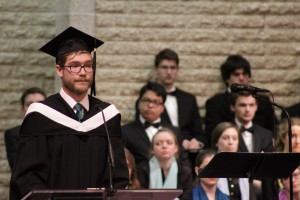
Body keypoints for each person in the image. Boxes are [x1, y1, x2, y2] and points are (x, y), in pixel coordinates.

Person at [9, 26, 128, 200]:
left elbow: (118, 176)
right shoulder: (40, 116)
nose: (82, 72)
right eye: (74, 66)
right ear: (59, 70)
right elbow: (27, 177)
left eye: (88, 66)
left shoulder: (106, 115)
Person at [153, 48, 207, 169]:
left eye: (173, 68)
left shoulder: (189, 99)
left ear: (177, 70)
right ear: (156, 70)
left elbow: (199, 133)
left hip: (190, 160)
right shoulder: (148, 100)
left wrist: (197, 142)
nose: (169, 72)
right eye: (164, 67)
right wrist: (179, 141)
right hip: (161, 159)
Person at [205, 55, 277, 143]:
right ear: (227, 78)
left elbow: (274, 127)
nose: (241, 78)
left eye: (245, 74)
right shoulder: (215, 103)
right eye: (236, 74)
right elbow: (212, 133)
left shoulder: (263, 100)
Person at [122, 81, 184, 165]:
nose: (150, 105)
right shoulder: (125, 132)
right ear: (139, 103)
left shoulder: (175, 131)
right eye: (146, 100)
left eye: (155, 102)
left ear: (162, 108)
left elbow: (183, 160)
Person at [230, 91, 275, 200]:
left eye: (251, 105)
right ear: (232, 107)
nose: (247, 109)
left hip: (263, 194)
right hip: (235, 193)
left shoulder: (266, 134)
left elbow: (270, 168)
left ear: (256, 107)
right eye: (242, 105)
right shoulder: (227, 133)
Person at [137, 128, 193, 199]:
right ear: (152, 149)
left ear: (176, 148)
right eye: (158, 143)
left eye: (169, 143)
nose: (164, 146)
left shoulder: (185, 171)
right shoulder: (143, 169)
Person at [211, 122, 256, 200]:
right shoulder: (209, 166)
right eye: (225, 138)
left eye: (234, 138)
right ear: (216, 142)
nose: (231, 142)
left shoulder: (244, 168)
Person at [4, 87, 46, 170]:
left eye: (40, 103)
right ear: (23, 109)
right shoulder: (14, 134)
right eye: (29, 104)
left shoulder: (59, 132)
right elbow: (18, 168)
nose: (35, 108)